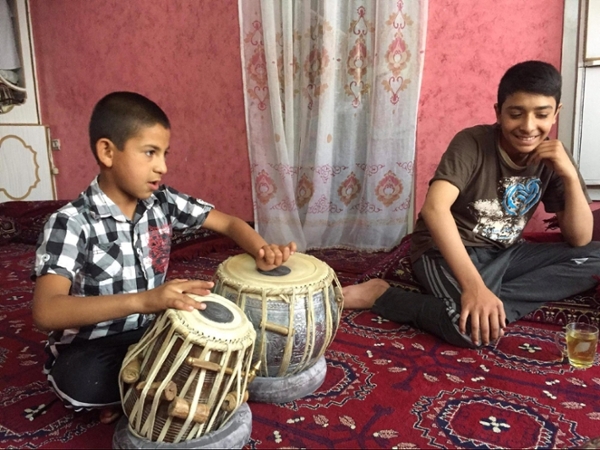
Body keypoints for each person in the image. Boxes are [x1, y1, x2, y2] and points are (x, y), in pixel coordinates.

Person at [31, 91, 296, 424]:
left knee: (224, 334)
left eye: (165, 154)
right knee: (82, 381)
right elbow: (47, 310)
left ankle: (145, 393)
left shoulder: (162, 201)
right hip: (96, 346)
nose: (163, 167)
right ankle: (171, 390)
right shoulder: (70, 222)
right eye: (150, 153)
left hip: (155, 332)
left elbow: (228, 222)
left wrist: (261, 250)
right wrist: (144, 301)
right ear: (107, 152)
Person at [344, 60, 600, 349]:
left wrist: (567, 174)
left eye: (541, 115)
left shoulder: (556, 156)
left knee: (596, 258)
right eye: (516, 114)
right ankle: (381, 295)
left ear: (556, 113)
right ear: (498, 112)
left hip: (507, 252)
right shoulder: (472, 142)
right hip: (447, 250)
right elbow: (434, 209)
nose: (529, 126)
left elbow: (580, 239)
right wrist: (474, 288)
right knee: (470, 331)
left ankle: (495, 304)